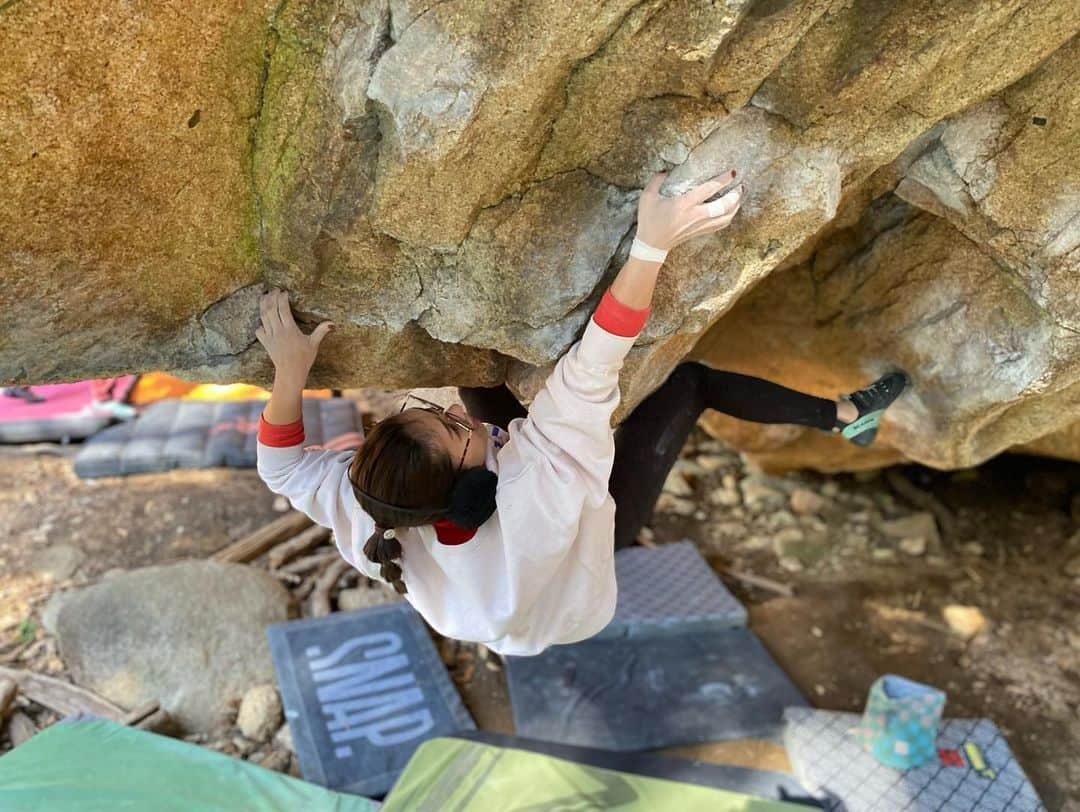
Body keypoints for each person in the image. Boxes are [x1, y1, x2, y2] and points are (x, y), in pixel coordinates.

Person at [255, 170, 907, 656]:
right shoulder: (544, 487)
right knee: (688, 383)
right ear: (477, 487)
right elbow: (597, 358)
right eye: (456, 429)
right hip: (576, 570)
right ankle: (844, 413)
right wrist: (653, 245)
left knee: (479, 378)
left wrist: (289, 369)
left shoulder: (371, 503)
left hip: (495, 599)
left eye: (434, 412)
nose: (459, 416)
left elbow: (282, 470)